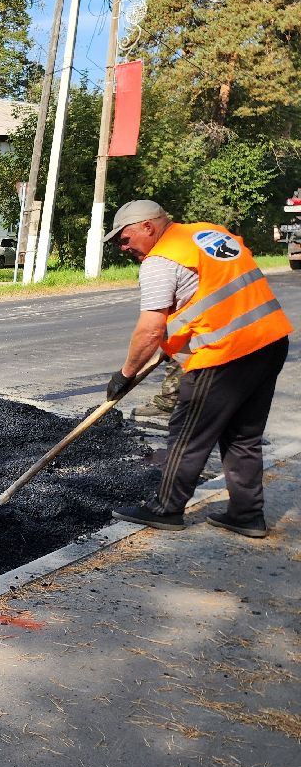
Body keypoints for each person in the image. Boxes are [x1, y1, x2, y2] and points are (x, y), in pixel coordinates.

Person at [105, 200, 291, 537]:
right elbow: (211, 293)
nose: (124, 246)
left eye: (125, 237)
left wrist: (125, 374)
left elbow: (150, 329)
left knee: (187, 435)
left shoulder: (161, 261)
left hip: (225, 354)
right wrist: (174, 345)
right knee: (242, 436)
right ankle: (246, 514)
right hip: (269, 341)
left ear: (148, 226)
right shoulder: (209, 232)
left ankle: (165, 509)